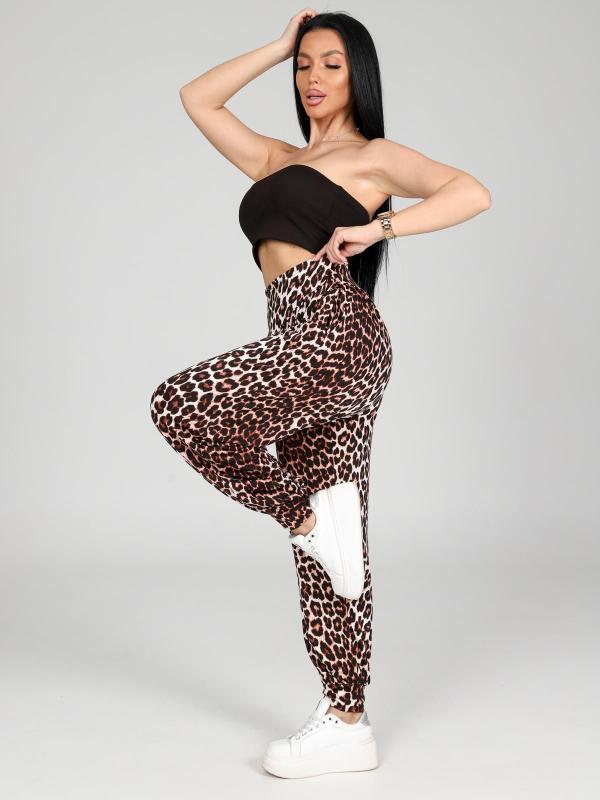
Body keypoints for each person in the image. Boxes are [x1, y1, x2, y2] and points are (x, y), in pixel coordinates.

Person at [150, 8, 491, 779]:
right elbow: (197, 98)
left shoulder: (373, 157)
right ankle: (346, 720)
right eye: (304, 64)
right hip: (296, 340)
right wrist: (278, 45)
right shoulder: (276, 158)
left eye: (330, 63)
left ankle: (305, 519)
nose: (313, 77)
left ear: (358, 73)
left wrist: (380, 231)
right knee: (334, 558)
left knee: (180, 405)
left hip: (337, 335)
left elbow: (471, 192)